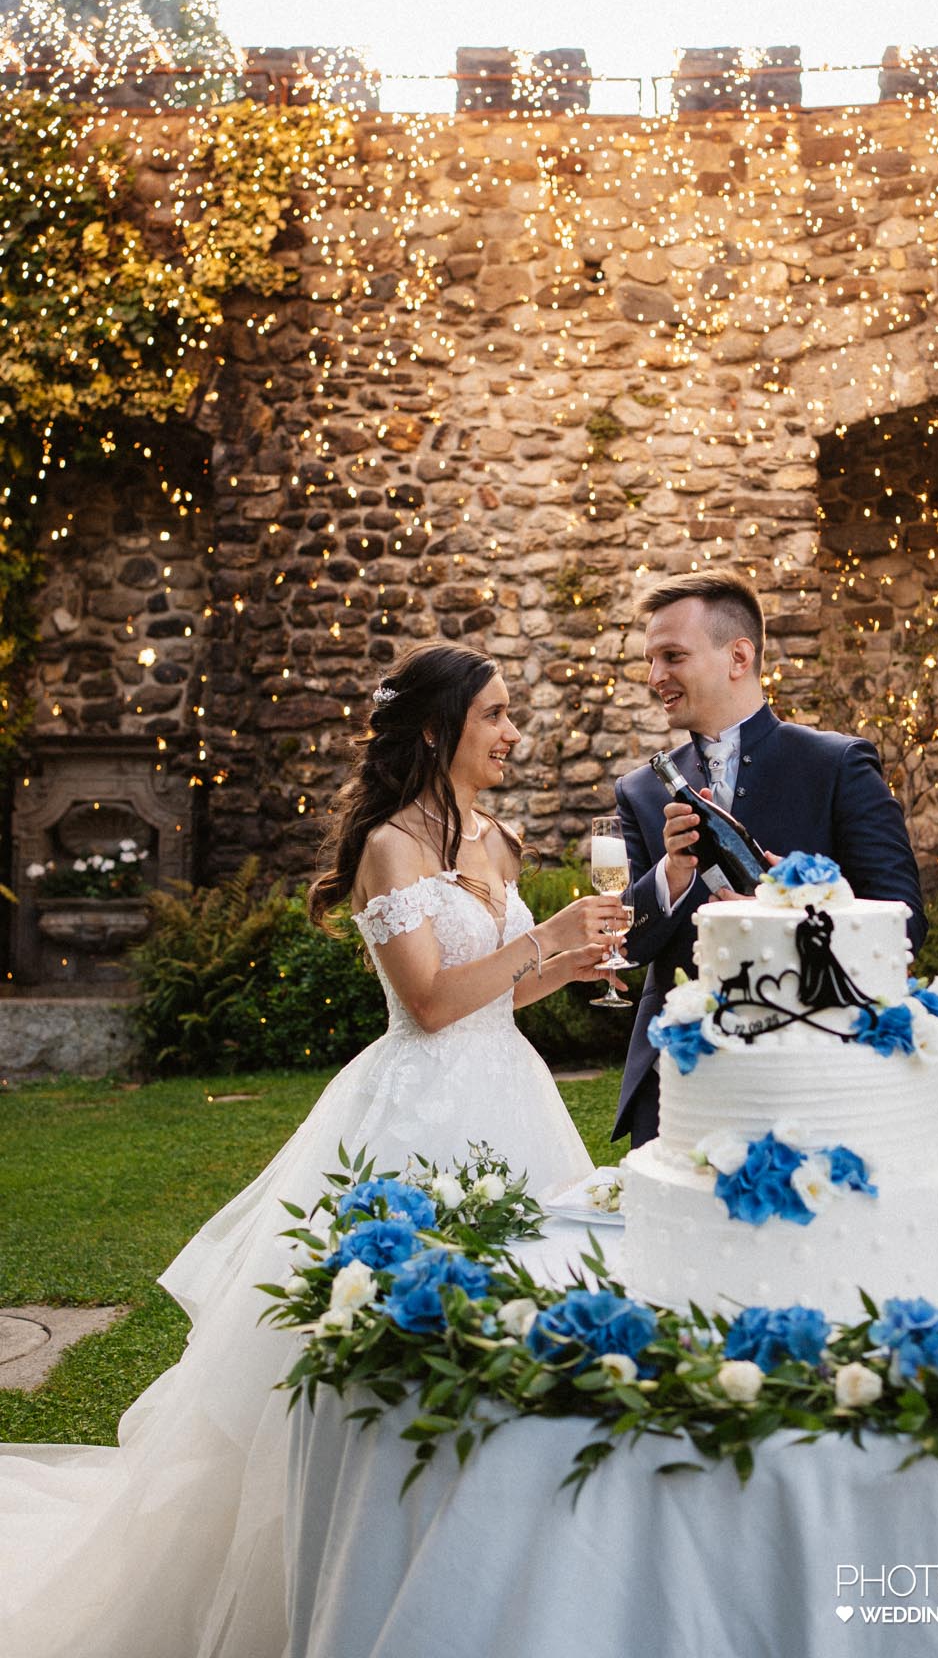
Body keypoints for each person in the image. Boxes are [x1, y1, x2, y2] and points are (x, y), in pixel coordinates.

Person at [0, 640, 627, 1658]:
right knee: (385, 1339)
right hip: (414, 1111)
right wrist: (545, 934)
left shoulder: (499, 839)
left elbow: (496, 999)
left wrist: (567, 961)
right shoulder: (391, 845)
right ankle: (348, 1556)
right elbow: (428, 1004)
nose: (515, 731)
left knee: (516, 1319)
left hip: (509, 1091)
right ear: (437, 731)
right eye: (497, 715)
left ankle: (480, 1551)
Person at [612, 572, 927, 1148]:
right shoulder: (640, 790)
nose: (655, 677)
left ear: (738, 656)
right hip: (676, 1078)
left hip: (811, 1065)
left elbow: (905, 919)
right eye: (651, 660)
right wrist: (671, 878)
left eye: (672, 656)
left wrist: (795, 910)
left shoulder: (837, 765)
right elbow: (626, 946)